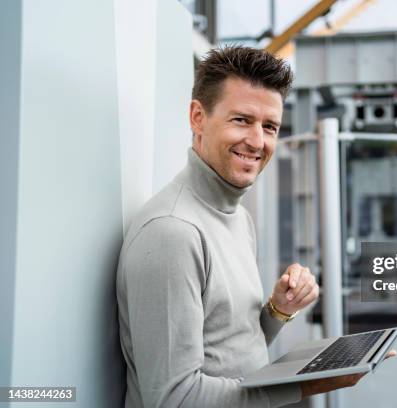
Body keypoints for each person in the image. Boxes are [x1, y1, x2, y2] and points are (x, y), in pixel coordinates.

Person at [116, 45, 382, 408]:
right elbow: (174, 399)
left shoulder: (238, 217)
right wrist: (304, 387)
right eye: (241, 119)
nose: (258, 141)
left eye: (269, 126)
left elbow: (230, 350)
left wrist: (278, 310)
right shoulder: (172, 233)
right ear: (198, 117)